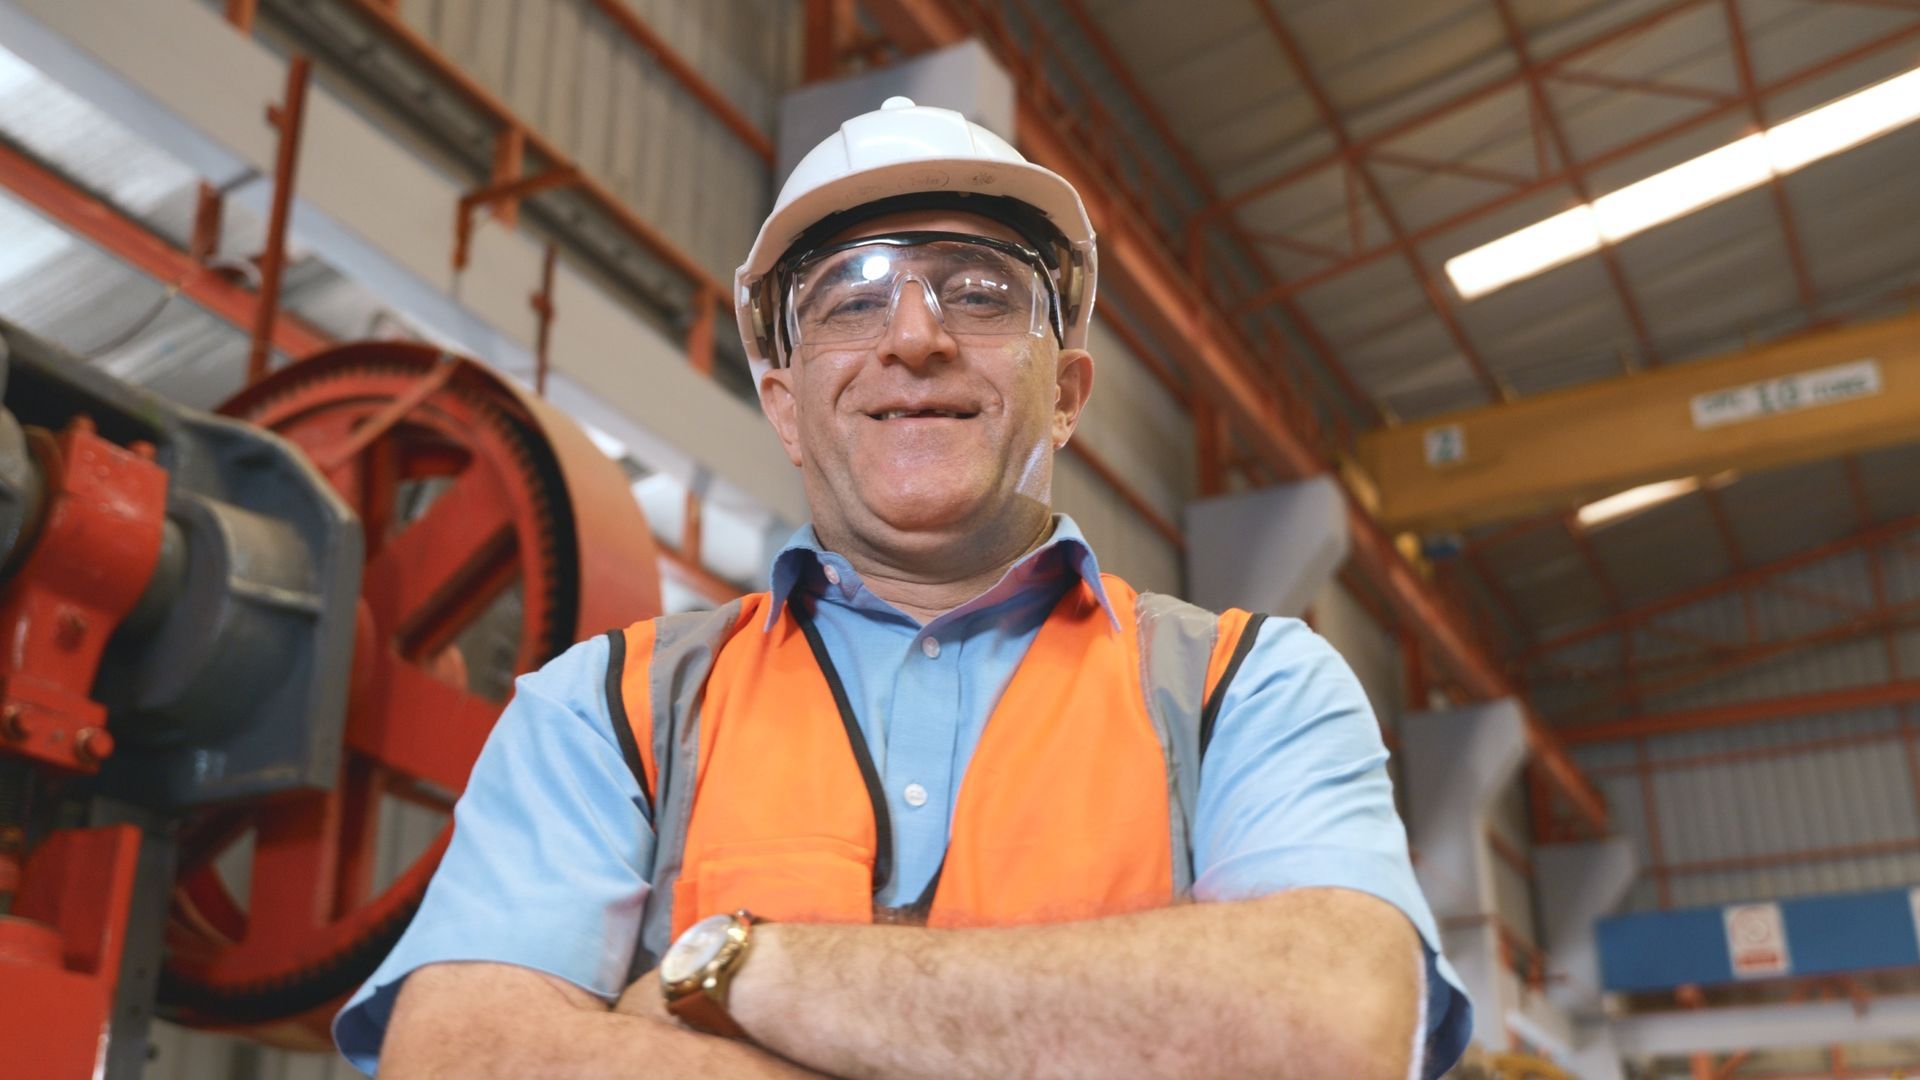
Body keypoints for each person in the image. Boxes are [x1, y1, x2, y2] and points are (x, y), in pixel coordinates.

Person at [334, 96, 1470, 1078]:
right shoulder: (608, 711)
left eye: (978, 293)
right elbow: (461, 1057)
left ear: (1065, 390)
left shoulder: (1244, 687)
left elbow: (1337, 1026)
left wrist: (737, 971)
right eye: (850, 298)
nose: (915, 336)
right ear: (785, 405)